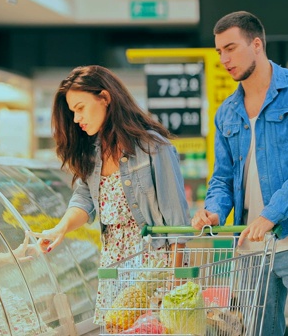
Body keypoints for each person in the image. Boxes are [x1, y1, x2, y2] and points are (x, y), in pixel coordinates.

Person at [191, 11, 288, 335]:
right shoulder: (226, 112)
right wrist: (213, 211)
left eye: (230, 48)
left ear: (256, 44)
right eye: (219, 52)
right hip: (251, 246)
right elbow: (223, 177)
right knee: (257, 332)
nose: (224, 59)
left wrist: (270, 215)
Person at [34, 65, 190, 325]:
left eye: (80, 108)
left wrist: (176, 279)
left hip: (152, 271)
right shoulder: (93, 153)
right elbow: (84, 199)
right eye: (73, 112)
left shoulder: (154, 149)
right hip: (113, 269)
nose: (76, 119)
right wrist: (59, 229)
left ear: (105, 98)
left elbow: (177, 223)